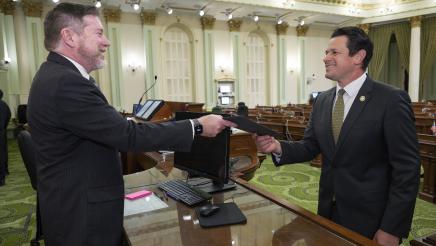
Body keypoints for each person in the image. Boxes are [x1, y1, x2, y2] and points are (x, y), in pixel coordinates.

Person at [27, 3, 235, 245]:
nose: (106, 41)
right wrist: (196, 126)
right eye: (98, 33)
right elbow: (127, 135)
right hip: (81, 214)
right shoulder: (66, 82)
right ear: (69, 37)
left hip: (75, 200)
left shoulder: (56, 74)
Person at [255, 27, 420, 246]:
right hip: (327, 210)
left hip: (372, 219)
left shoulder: (390, 99)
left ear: (358, 57)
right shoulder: (323, 100)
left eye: (334, 52)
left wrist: (391, 228)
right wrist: (277, 147)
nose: (325, 58)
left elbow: (407, 169)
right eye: (326, 52)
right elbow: (310, 146)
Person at [0, 89, 11, 186]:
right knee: (3, 153)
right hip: (2, 132)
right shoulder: (4, 105)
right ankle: (5, 171)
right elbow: (8, 116)